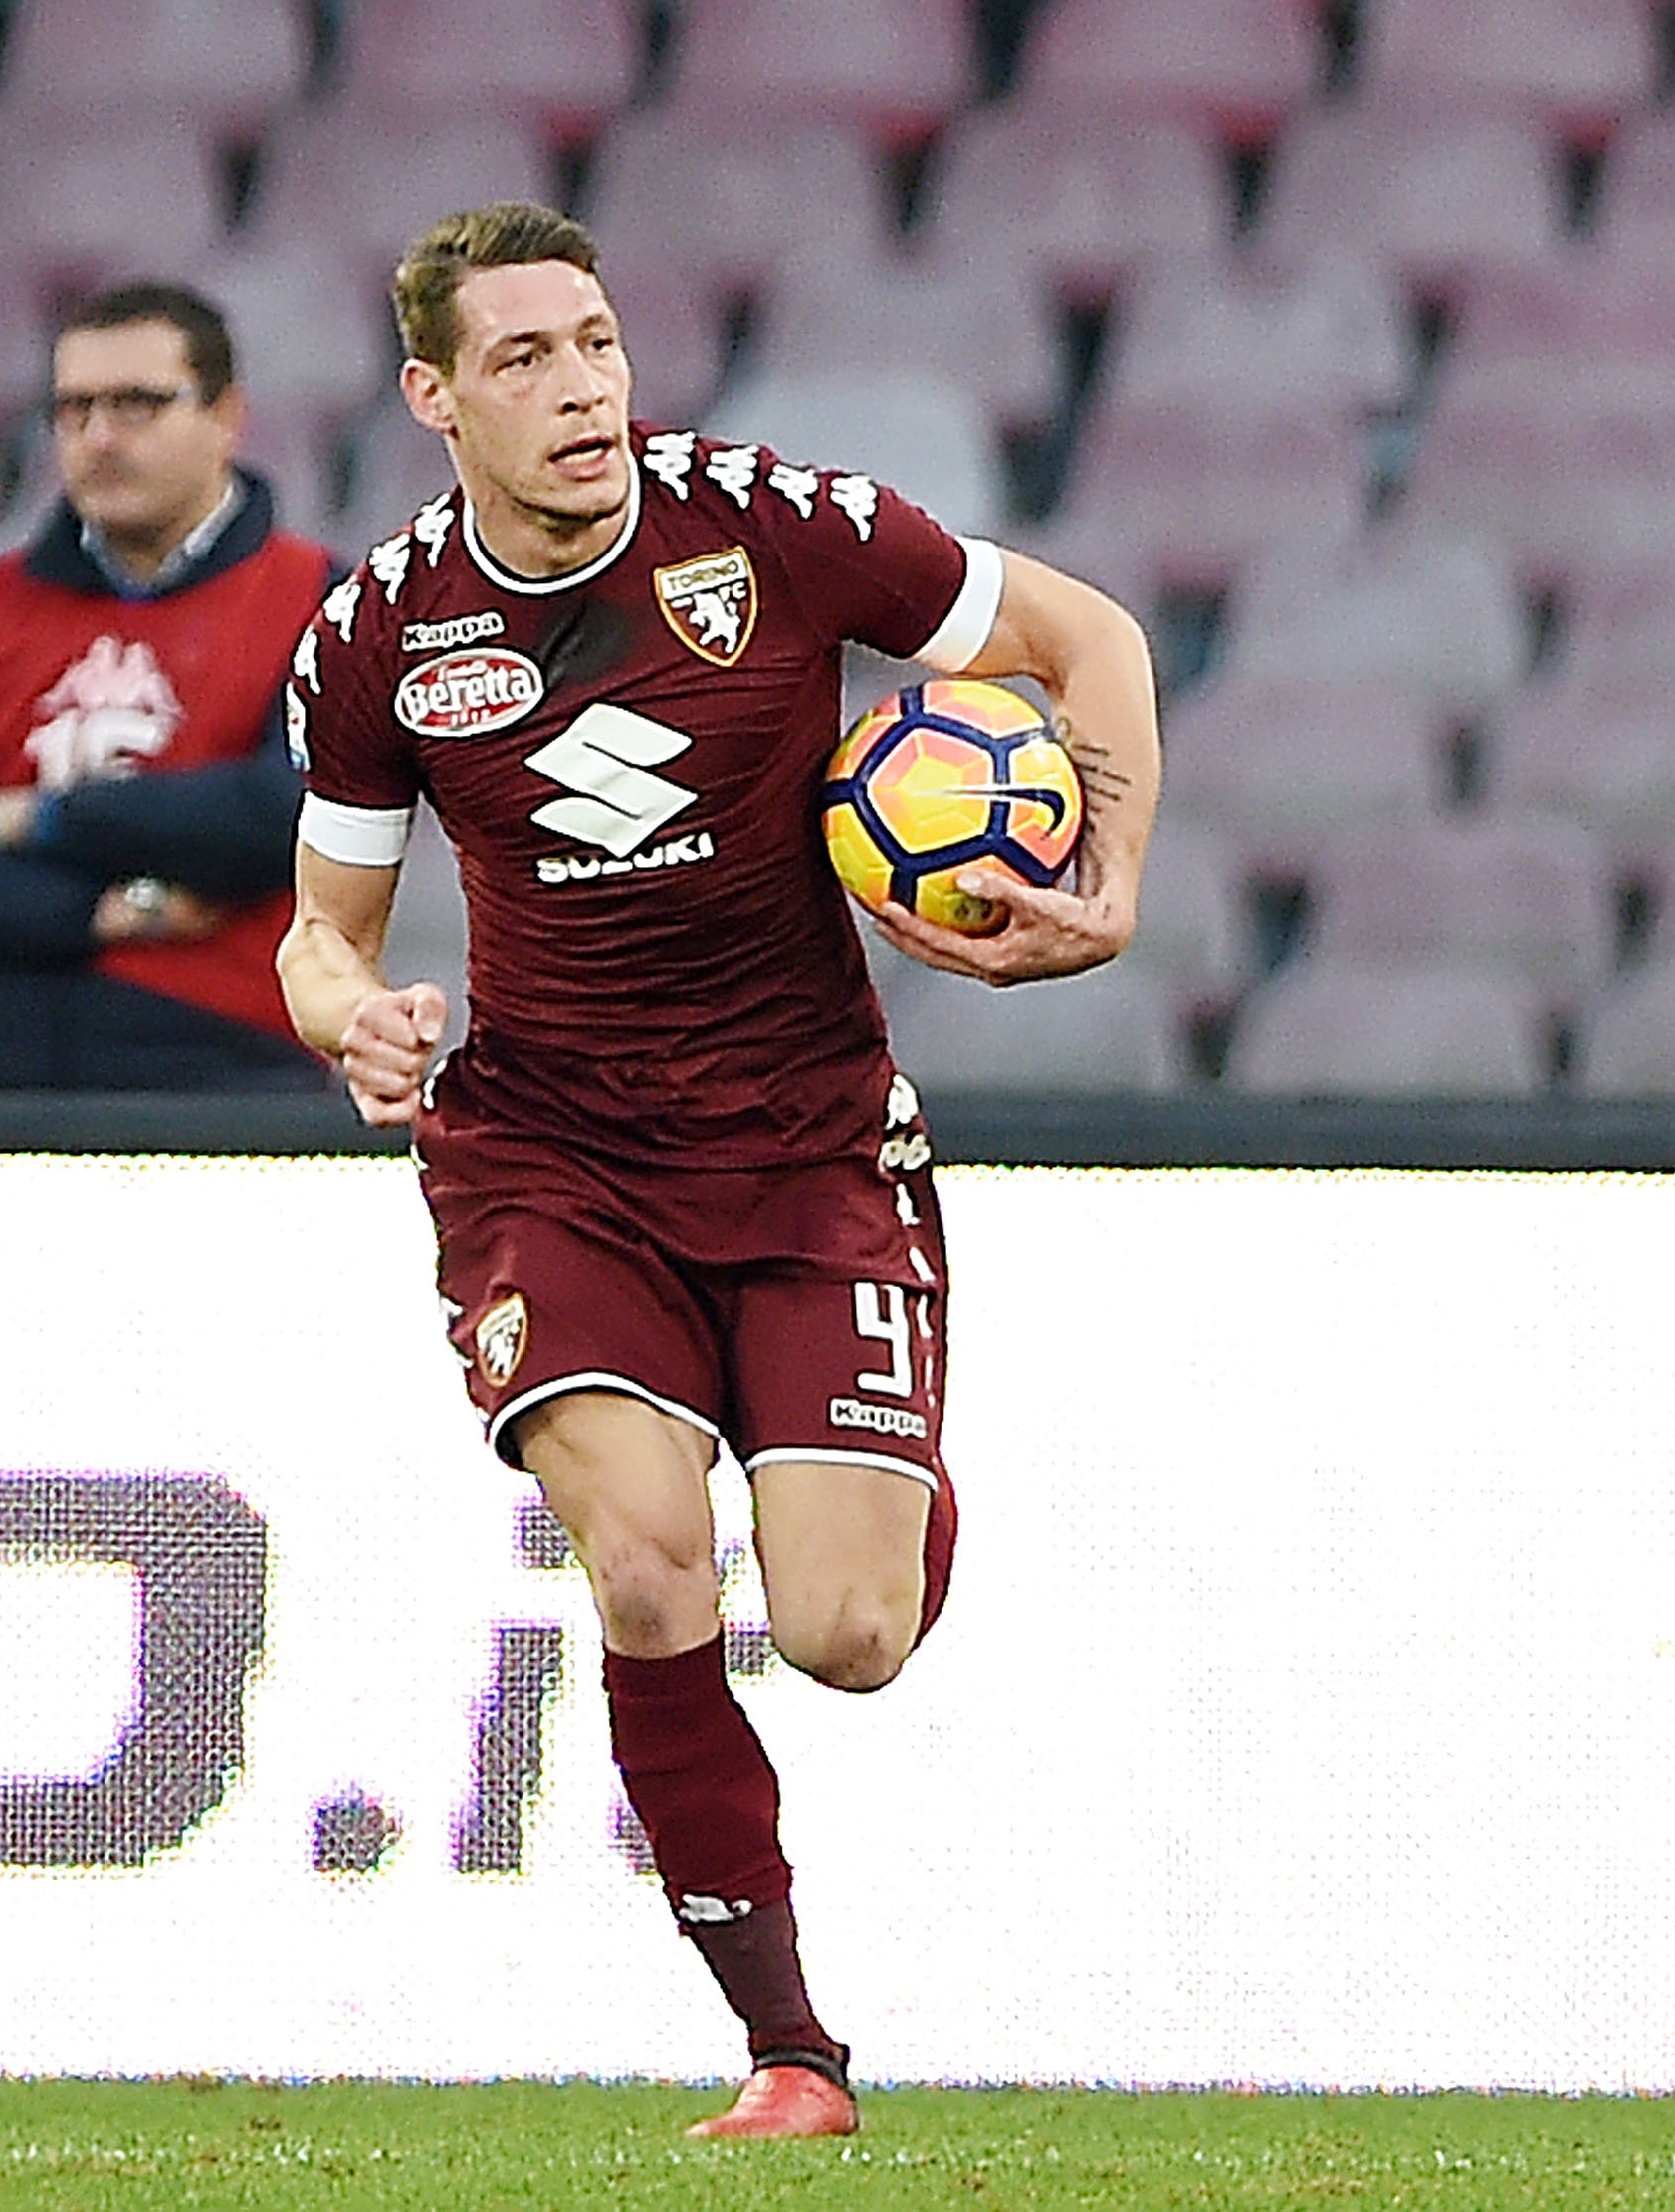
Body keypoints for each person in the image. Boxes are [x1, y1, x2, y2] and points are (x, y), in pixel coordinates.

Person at [276, 204, 1162, 2138]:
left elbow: (1086, 635)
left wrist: (1102, 888)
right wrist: (352, 1017)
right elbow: (318, 929)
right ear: (433, 395)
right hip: (549, 1152)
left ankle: (882, 1457)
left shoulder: (780, 527)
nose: (581, 384)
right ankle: (791, 2055)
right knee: (653, 1563)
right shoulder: (378, 640)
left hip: (809, 1135)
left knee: (847, 1637)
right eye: (523, 358)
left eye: (594, 339)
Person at [0, 279, 337, 1090]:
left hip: (230, 1076)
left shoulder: (318, 596)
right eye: (74, 411)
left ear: (226, 416)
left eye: (138, 405)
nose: (100, 438)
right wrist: (103, 913)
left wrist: (37, 820)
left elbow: (291, 813)